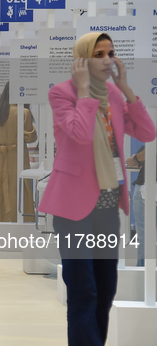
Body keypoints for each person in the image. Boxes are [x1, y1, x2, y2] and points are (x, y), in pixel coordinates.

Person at [38, 33, 156, 346]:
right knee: (83, 290)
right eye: (98, 54)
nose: (107, 60)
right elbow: (78, 134)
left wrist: (127, 89)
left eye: (110, 53)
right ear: (82, 59)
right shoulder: (62, 94)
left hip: (107, 209)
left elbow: (147, 131)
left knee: (105, 289)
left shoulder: (116, 95)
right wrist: (84, 92)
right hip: (74, 209)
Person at [0, 82, 37, 231]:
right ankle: (19, 222)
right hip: (17, 155)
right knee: (20, 188)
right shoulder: (24, 112)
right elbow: (30, 137)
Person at [126, 146, 155, 266]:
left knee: (144, 233)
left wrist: (136, 159)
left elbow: (152, 149)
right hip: (146, 185)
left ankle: (144, 271)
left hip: (146, 186)